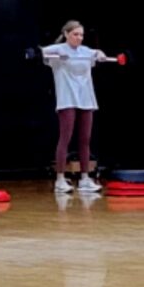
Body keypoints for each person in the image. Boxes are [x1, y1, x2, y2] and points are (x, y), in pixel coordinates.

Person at [41, 20, 105, 193]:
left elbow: (97, 52)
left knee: (85, 139)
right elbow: (42, 51)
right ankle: (60, 180)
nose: (79, 37)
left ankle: (85, 179)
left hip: (86, 99)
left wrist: (100, 54)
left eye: (81, 35)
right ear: (67, 34)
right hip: (67, 98)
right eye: (75, 34)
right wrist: (54, 56)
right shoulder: (59, 49)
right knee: (65, 138)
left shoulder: (85, 51)